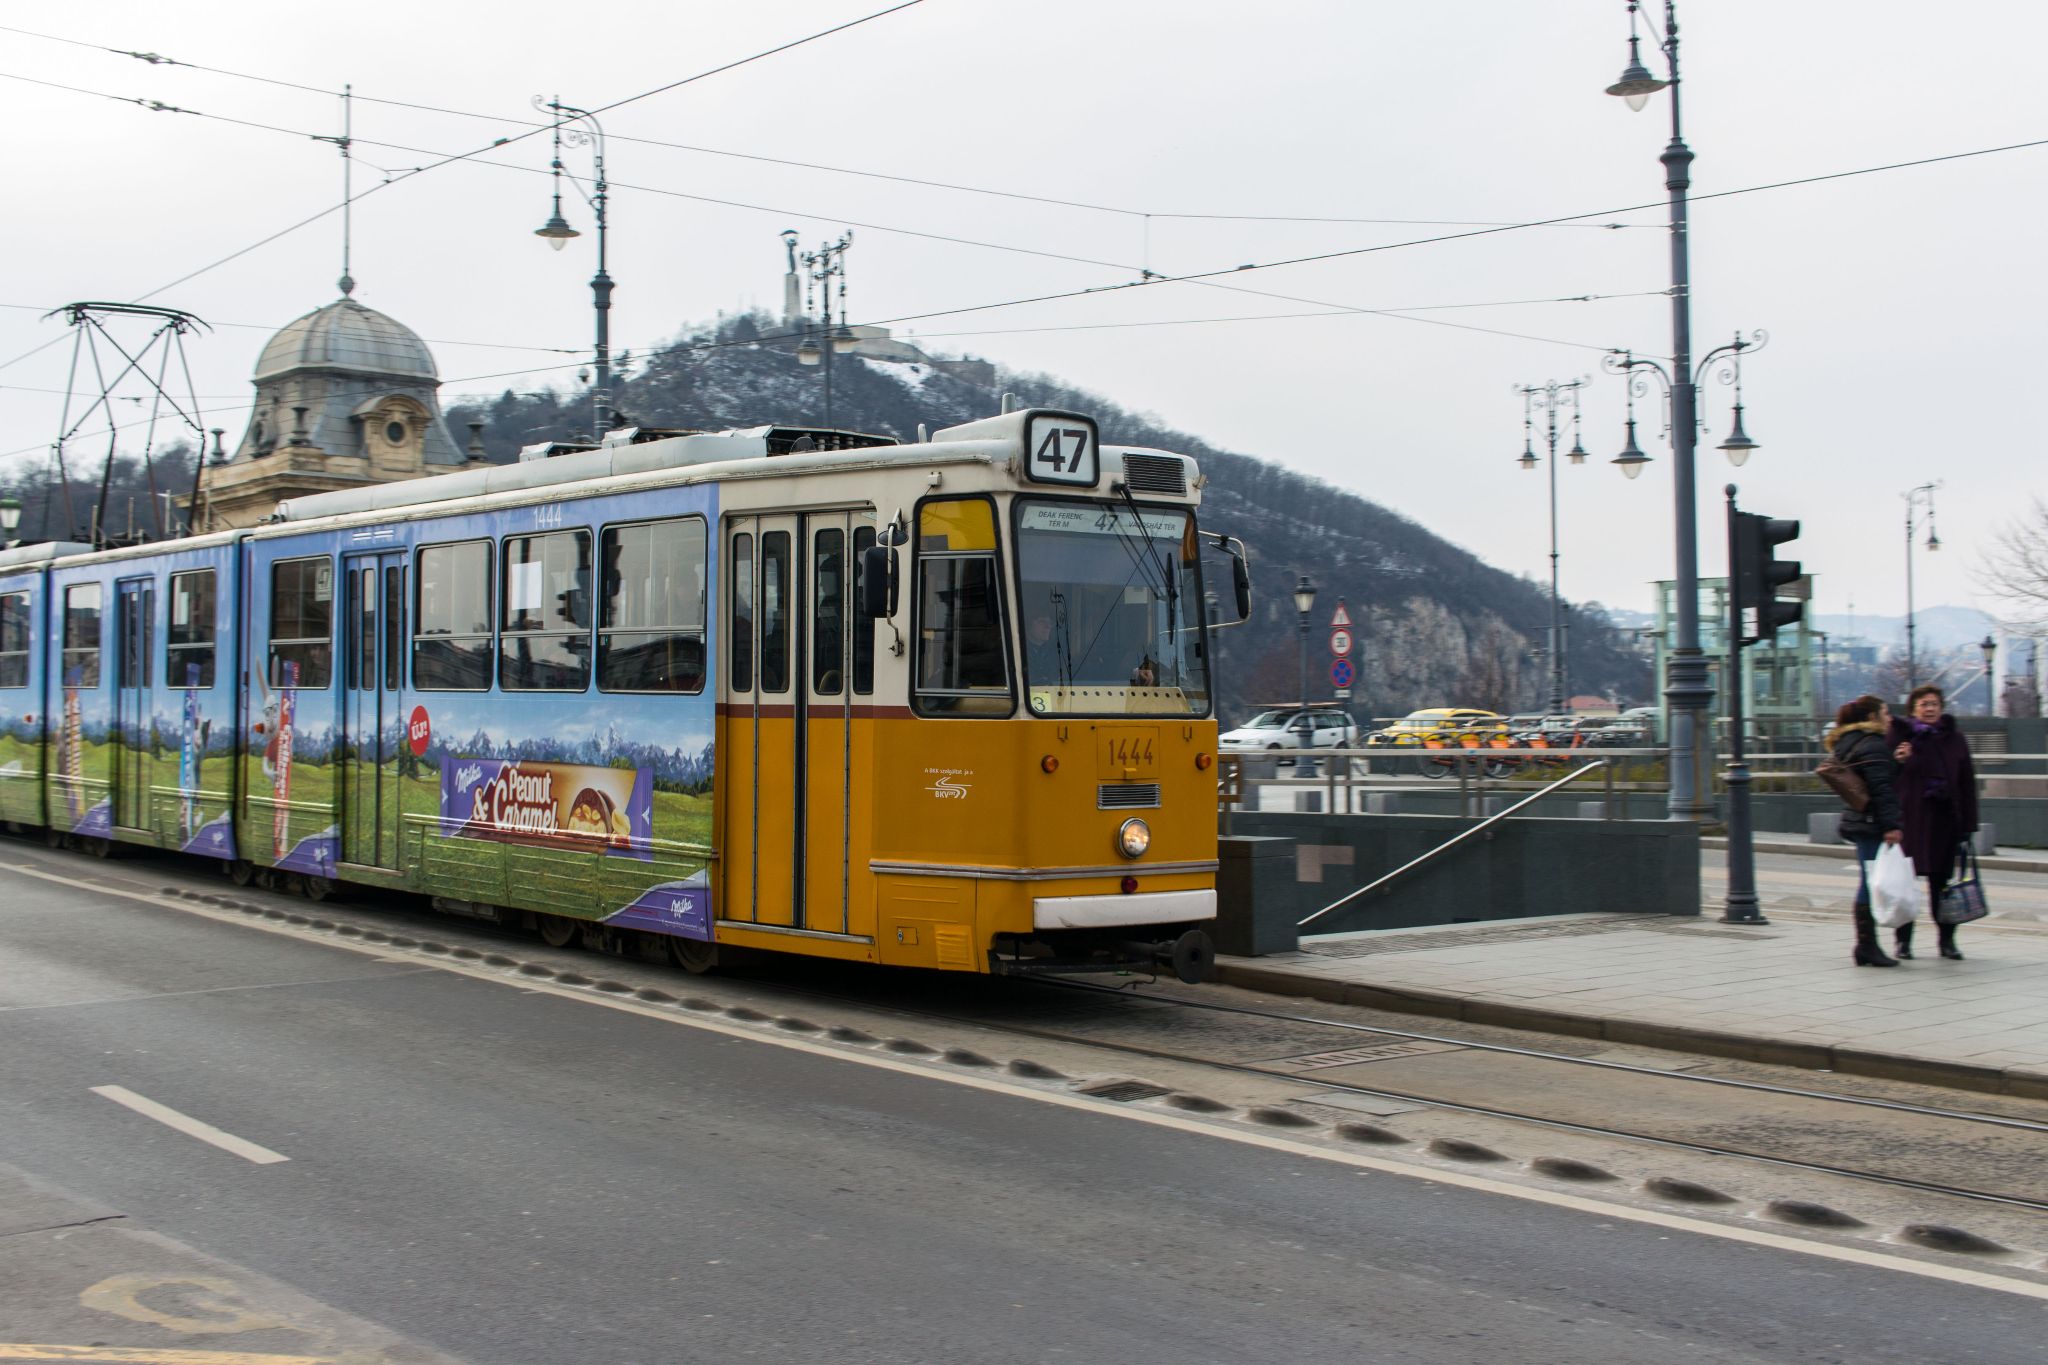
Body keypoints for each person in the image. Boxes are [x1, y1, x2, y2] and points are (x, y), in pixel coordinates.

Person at [1888, 683, 1981, 960]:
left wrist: (1968, 825)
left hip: (1944, 822)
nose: (1929, 709)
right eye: (1924, 704)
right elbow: (1884, 777)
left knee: (1944, 885)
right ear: (1913, 709)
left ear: (1941, 708)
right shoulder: (1900, 737)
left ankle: (1947, 941)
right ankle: (1903, 942)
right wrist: (1898, 761)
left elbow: (1967, 783)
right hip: (1910, 821)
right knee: (1905, 886)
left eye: (1934, 704)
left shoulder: (1955, 740)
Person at [1823, 695, 1904, 967]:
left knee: (1868, 881)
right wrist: (1892, 826)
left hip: (1859, 819)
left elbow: (1872, 779)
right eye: (1885, 712)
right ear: (1872, 717)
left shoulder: (1850, 742)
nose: (1889, 717)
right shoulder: (1873, 745)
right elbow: (1881, 790)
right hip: (1871, 823)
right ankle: (1866, 945)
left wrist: (1896, 762)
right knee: (1870, 884)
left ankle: (1865, 945)